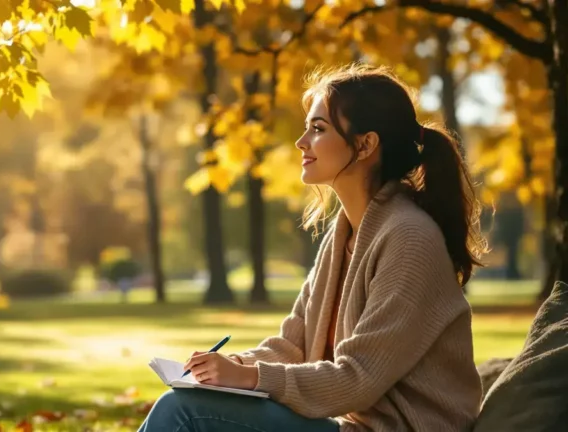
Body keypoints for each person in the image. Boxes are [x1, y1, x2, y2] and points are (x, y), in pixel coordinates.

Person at [137, 63, 489, 432]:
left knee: (184, 411)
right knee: (185, 402)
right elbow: (293, 348)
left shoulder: (410, 238)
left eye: (318, 129)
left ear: (365, 144)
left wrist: (250, 377)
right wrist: (233, 366)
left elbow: (359, 378)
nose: (301, 142)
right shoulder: (343, 236)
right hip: (347, 426)